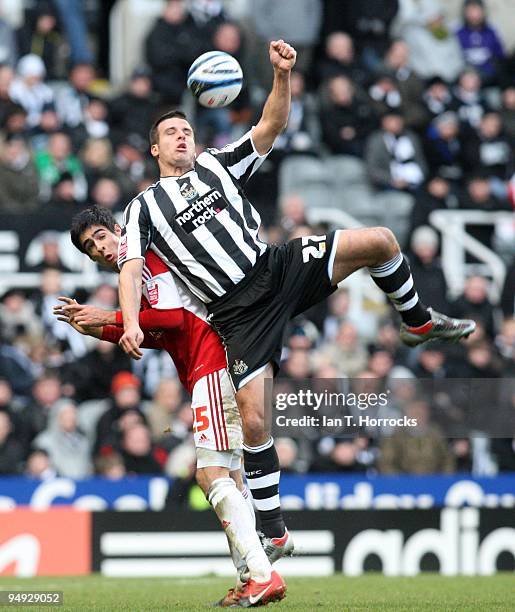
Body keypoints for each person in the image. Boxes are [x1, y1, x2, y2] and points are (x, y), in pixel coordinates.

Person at [116, 38, 475, 602]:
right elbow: (132, 265)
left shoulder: (217, 164)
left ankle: (419, 320)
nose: (182, 135)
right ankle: (274, 530)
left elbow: (270, 126)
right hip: (235, 313)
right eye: (171, 133)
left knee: (380, 241)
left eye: (186, 128)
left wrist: (283, 75)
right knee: (255, 425)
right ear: (155, 150)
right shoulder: (142, 208)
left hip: (275, 268)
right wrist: (131, 320)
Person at [55, 206, 283, 607]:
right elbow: (156, 333)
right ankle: (252, 575)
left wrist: (108, 315)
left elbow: (172, 319)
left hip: (210, 362)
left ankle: (263, 574)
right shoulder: (137, 265)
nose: (100, 249)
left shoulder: (139, 255)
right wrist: (101, 327)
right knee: (230, 475)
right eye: (90, 248)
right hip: (216, 361)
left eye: (100, 237)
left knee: (209, 475)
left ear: (115, 228)